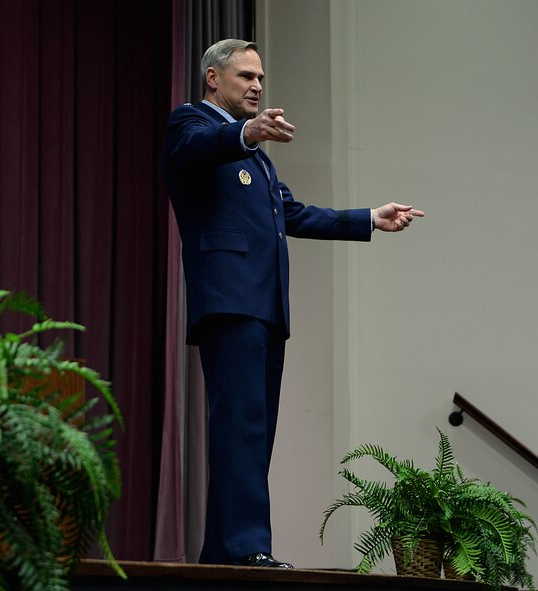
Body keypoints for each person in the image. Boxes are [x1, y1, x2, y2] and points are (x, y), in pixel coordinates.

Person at [161, 39, 423, 568]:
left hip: (265, 308)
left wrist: (370, 217)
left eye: (261, 78)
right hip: (231, 304)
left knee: (253, 435)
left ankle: (222, 553)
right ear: (213, 78)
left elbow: (294, 213)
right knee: (243, 429)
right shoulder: (190, 124)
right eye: (246, 77)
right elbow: (195, 152)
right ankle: (247, 548)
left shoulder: (256, 160)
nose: (258, 86)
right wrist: (244, 132)